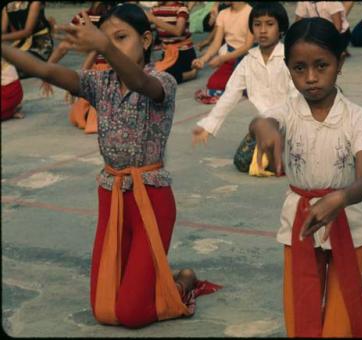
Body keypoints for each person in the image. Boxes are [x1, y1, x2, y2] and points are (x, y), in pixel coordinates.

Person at [1, 3, 212, 328]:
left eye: (121, 37)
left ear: (145, 41)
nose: (113, 45)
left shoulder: (162, 81)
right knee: (103, 310)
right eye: (108, 38)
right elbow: (43, 71)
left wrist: (102, 45)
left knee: (131, 314)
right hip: (111, 196)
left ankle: (182, 282)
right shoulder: (101, 84)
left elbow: (141, 83)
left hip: (151, 201)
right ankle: (153, 277)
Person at [251, 17, 362, 337]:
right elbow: (264, 122)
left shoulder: (360, 119)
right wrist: (264, 130)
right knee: (301, 322)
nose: (310, 78)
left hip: (347, 220)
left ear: (340, 62)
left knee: (337, 327)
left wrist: (340, 198)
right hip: (300, 221)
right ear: (288, 68)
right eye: (299, 68)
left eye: (321, 66)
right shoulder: (288, 110)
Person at [192, 2, 291, 175]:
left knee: (298, 161)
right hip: (264, 125)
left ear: (281, 28)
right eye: (257, 24)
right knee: (242, 161)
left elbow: (297, 97)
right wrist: (208, 125)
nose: (262, 30)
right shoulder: (248, 61)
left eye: (269, 24)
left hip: (292, 123)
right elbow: (230, 94)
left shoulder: (289, 58)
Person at [40, 2, 115, 134]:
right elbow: (64, 46)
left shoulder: (115, 16)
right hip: (94, 70)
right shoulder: (82, 17)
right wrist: (46, 72)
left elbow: (96, 51)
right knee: (79, 116)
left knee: (95, 118)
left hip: (114, 69)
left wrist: (78, 81)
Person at [192, 1, 254, 104]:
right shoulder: (223, 14)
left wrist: (222, 58)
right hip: (230, 58)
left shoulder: (251, 13)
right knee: (213, 85)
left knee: (245, 88)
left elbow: (247, 47)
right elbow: (216, 44)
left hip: (247, 58)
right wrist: (203, 59)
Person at [146, 1, 198, 84]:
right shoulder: (155, 10)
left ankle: (190, 74)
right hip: (167, 53)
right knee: (150, 72)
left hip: (184, 53)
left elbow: (178, 31)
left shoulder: (181, 9)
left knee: (165, 76)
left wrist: (154, 19)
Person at [1, 1, 54, 79]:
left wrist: (3, 37)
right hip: (21, 42)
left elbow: (27, 32)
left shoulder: (35, 3)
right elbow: (3, 31)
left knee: (11, 68)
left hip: (40, 43)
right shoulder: (7, 7)